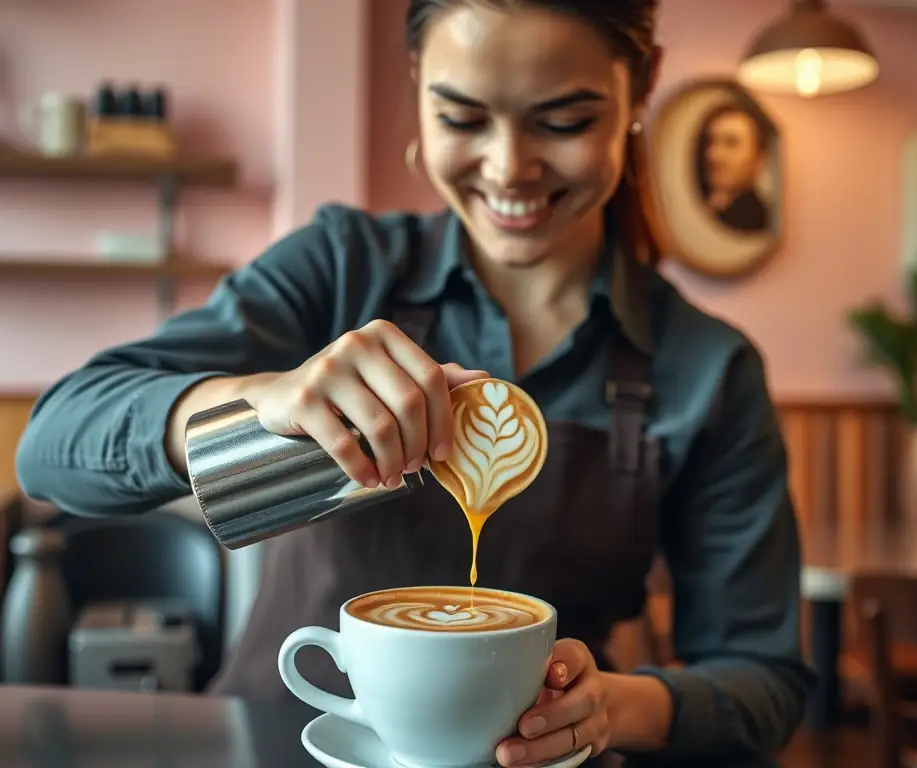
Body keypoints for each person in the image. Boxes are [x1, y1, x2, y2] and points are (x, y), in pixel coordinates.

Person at [16, 1, 815, 765]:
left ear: (642, 88)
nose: (510, 166)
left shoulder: (708, 369)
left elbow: (764, 679)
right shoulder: (341, 269)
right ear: (416, 85)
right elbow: (53, 446)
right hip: (274, 742)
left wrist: (612, 707)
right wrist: (254, 397)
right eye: (463, 118)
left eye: (564, 120)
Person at [697, 103, 768, 233]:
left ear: (759, 160)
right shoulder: (696, 209)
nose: (713, 155)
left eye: (731, 143)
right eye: (711, 141)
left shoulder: (759, 224)